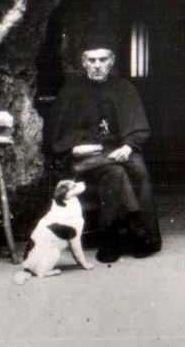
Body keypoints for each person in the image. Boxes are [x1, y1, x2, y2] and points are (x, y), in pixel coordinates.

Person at [47, 39, 161, 263]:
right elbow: (55, 135)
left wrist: (128, 146)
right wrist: (74, 148)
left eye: (102, 59)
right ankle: (123, 238)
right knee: (116, 171)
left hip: (118, 151)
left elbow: (139, 127)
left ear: (111, 61)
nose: (97, 65)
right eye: (92, 60)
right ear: (84, 62)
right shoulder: (71, 91)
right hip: (84, 158)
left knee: (135, 168)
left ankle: (133, 239)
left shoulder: (125, 88)